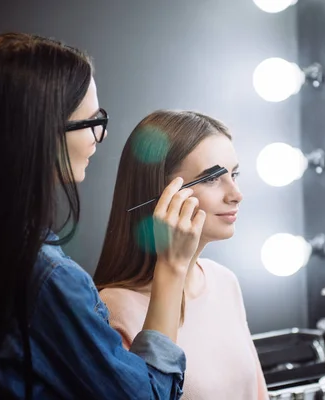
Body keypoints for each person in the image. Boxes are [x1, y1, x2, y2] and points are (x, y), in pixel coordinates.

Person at [0, 32, 203, 400]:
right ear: (43, 132)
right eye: (92, 122)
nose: (99, 138)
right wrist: (171, 268)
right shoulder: (48, 277)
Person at [94, 110, 269, 399]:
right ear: (160, 194)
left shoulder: (224, 282)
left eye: (234, 174)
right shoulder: (114, 308)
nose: (236, 194)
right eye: (212, 179)